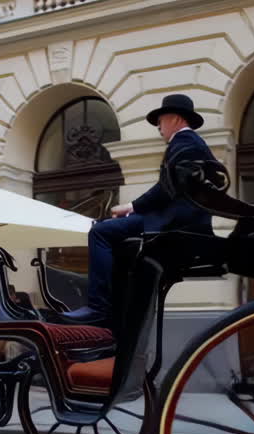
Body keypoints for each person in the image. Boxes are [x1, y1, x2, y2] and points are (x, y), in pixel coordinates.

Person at [58, 94, 215, 324]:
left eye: (161, 121)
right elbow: (171, 189)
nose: (159, 128)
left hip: (174, 224)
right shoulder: (190, 144)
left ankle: (99, 308)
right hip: (174, 219)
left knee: (100, 232)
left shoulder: (186, 143)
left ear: (175, 119)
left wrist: (132, 206)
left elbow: (167, 188)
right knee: (106, 227)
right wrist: (136, 210)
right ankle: (116, 305)